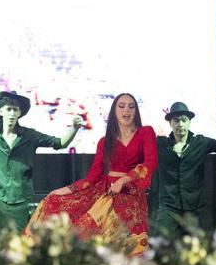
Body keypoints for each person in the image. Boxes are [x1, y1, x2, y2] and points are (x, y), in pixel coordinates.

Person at [25, 93, 158, 255]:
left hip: (132, 195)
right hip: (107, 194)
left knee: (131, 245)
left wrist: (123, 180)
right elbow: (91, 179)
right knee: (93, 240)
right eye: (121, 106)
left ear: (136, 111)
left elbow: (150, 163)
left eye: (131, 106)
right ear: (114, 111)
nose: (127, 110)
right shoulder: (105, 141)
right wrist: (61, 191)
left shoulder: (146, 133)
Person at [0, 91, 84, 231]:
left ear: (20, 113)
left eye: (15, 110)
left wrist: (75, 129)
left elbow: (60, 143)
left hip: (20, 200)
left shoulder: (30, 136)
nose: (12, 113)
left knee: (17, 242)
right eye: (9, 109)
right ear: (0, 111)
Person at [154, 102, 216, 237]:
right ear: (170, 123)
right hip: (168, 208)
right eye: (176, 120)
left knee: (194, 251)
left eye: (184, 120)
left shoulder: (200, 142)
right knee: (160, 244)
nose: (180, 124)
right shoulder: (160, 144)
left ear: (189, 122)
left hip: (193, 208)